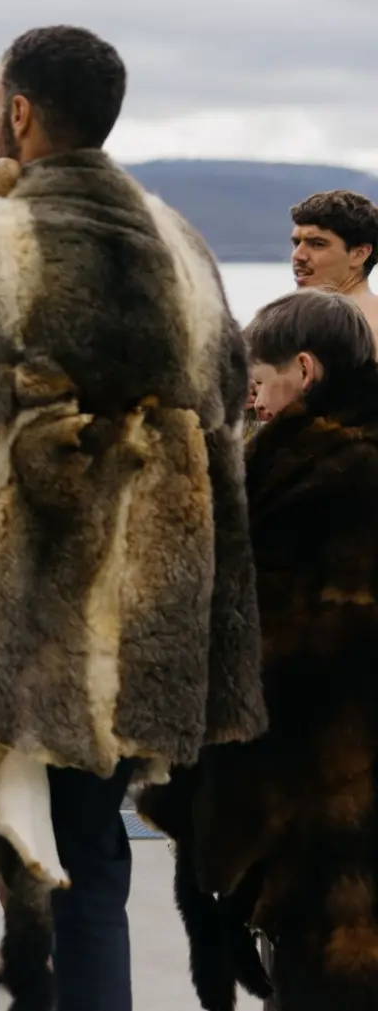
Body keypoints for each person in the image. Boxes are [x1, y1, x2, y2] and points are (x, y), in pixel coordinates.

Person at [0, 27, 266, 1010]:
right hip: (142, 621)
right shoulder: (187, 251)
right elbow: (225, 437)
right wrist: (221, 642)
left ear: (19, 113)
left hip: (2, 618)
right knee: (90, 864)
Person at [141, 289, 378, 1010]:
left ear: (303, 370)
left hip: (319, 834)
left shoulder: (292, 489)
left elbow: (257, 675)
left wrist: (209, 824)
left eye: (259, 384)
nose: (252, 405)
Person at [289, 189, 378, 345]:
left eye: (317, 244)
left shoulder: (365, 329)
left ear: (359, 254)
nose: (298, 255)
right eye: (296, 243)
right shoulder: (291, 321)